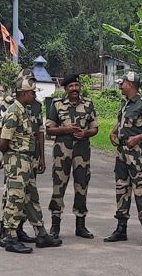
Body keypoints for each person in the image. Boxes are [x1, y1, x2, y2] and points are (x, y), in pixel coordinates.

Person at [0, 69, 62, 254]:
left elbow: (37, 133)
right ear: (24, 93)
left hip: (27, 160)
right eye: (32, 92)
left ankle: (41, 233)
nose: (34, 95)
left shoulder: (23, 110)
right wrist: (12, 155)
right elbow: (3, 143)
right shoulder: (13, 113)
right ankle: (10, 237)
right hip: (17, 161)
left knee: (31, 198)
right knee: (15, 198)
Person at [104, 71, 142, 246]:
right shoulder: (126, 104)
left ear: (130, 84)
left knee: (141, 191)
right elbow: (123, 122)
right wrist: (114, 131)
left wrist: (138, 138)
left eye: (122, 83)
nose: (119, 85)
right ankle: (121, 229)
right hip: (122, 154)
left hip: (138, 155)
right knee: (122, 189)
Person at [46, 74, 99, 239]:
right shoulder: (57, 105)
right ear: (65, 89)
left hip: (82, 151)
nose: (74, 89)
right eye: (71, 86)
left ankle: (81, 225)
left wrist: (85, 133)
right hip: (62, 151)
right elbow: (49, 129)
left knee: (82, 186)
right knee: (58, 186)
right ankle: (55, 226)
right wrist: (66, 130)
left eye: (77, 85)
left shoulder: (88, 104)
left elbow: (95, 128)